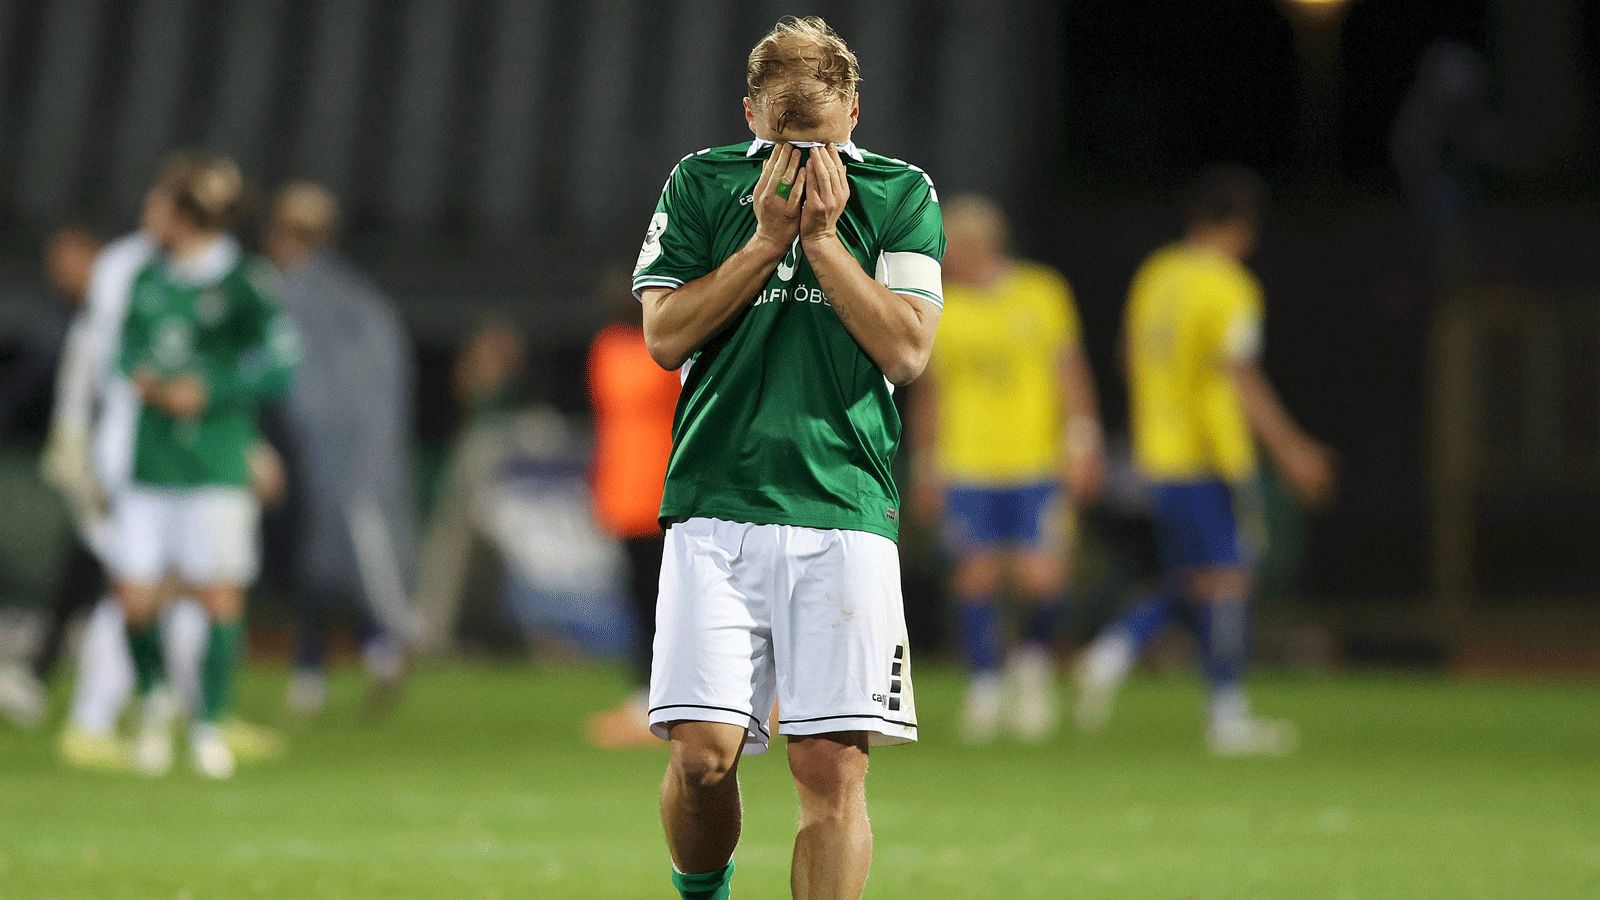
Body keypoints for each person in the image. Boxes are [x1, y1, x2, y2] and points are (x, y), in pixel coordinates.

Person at [632, 17, 944, 899]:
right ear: (750, 115)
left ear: (854, 114)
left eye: (821, 142)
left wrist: (823, 244)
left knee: (830, 769)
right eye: (784, 140)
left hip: (842, 508)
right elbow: (664, 335)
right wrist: (766, 241)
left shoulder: (900, 193)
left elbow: (907, 350)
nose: (804, 162)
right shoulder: (702, 183)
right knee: (702, 758)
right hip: (716, 504)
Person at [1074, 165, 1335, 756]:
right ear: (1242, 228)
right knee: (1230, 577)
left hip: (1157, 454)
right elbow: (1237, 372)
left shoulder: (1158, 273)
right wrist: (1292, 451)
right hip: (1211, 455)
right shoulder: (1228, 285)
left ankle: (1112, 652)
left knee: (1198, 577)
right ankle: (1226, 714)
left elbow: (1127, 358)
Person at [110, 151, 298, 779]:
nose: (149, 213)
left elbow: (280, 362)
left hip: (216, 459)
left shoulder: (243, 284)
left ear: (184, 215)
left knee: (219, 593)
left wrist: (212, 389)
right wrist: (144, 377)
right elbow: (125, 349)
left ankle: (209, 724)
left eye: (159, 203)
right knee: (135, 598)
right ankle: (154, 701)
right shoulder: (146, 279)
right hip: (151, 459)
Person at [909, 195, 1104, 743]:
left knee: (1045, 577)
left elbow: (1070, 371)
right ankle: (986, 685)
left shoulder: (1041, 292)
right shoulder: (942, 306)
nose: (945, 257)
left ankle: (1032, 664)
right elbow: (931, 394)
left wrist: (1083, 443)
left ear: (982, 245)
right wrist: (925, 468)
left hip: (1036, 463)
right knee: (975, 575)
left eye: (952, 247)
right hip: (967, 465)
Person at [262, 181, 414, 717]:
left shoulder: (281, 293)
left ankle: (317, 669)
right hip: (346, 450)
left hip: (299, 445)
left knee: (317, 554)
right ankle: (374, 649)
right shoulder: (360, 297)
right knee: (334, 552)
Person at [583, 272, 679, 750]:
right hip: (657, 492)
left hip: (630, 494)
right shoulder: (659, 352)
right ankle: (659, 696)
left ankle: (653, 696)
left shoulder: (605, 351)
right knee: (660, 602)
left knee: (647, 602)